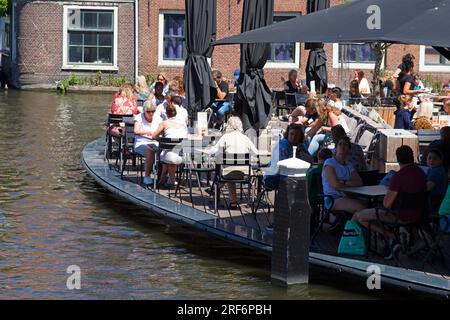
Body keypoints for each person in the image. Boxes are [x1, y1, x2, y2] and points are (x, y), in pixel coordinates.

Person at [353, 145, 427, 259]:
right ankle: (398, 239)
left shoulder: (398, 177)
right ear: (412, 157)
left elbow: (386, 204)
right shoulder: (421, 174)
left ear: (398, 159)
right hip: (419, 215)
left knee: (360, 216)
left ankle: (393, 237)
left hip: (400, 216)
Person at [208, 116, 259, 209]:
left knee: (229, 171)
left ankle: (232, 201)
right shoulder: (245, 138)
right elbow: (256, 153)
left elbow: (214, 151)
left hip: (228, 174)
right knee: (242, 172)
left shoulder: (225, 137)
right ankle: (251, 199)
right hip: (245, 173)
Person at [322, 136, 367, 215]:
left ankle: (352, 224)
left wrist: (343, 182)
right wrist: (349, 184)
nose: (342, 146)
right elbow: (335, 185)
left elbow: (359, 182)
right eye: (340, 144)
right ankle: (350, 225)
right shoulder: (329, 163)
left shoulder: (349, 165)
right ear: (336, 147)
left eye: (345, 145)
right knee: (361, 207)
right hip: (333, 198)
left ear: (349, 149)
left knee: (368, 204)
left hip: (348, 195)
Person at [148, 103, 187, 188]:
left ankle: (171, 182)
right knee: (169, 152)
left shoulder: (164, 123)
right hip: (183, 156)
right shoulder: (183, 124)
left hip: (170, 156)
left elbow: (154, 136)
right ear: (176, 113)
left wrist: (161, 137)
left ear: (166, 113)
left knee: (166, 154)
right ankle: (165, 180)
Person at [263, 124, 313, 190]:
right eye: (291, 134)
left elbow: (310, 161)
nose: (293, 137)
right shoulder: (283, 144)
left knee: (310, 179)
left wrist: (300, 152)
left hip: (290, 175)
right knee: (298, 183)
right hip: (273, 176)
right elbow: (283, 165)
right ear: (287, 134)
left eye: (296, 135)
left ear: (300, 137)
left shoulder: (301, 145)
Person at [134, 100, 159, 186]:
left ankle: (165, 177)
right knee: (150, 151)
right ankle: (147, 176)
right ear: (144, 111)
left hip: (155, 141)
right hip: (142, 142)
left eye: (153, 111)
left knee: (167, 150)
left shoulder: (158, 118)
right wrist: (146, 132)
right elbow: (136, 131)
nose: (151, 114)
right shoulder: (139, 117)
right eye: (149, 112)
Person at [426, 149, 449, 214]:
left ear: (441, 161)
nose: (431, 160)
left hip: (435, 202)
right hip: (438, 200)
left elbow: (427, 188)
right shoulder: (437, 169)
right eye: (429, 158)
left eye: (435, 158)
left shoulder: (436, 171)